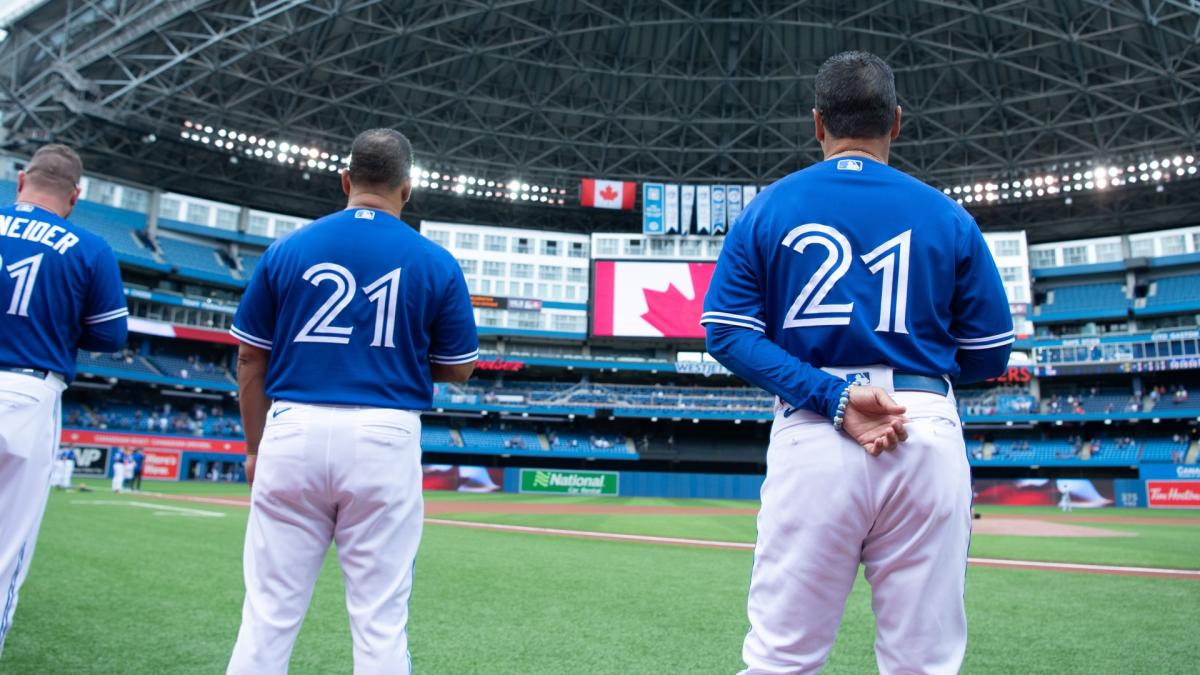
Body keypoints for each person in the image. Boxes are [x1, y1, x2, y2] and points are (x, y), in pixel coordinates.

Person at [701, 52, 1013, 674]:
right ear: (896, 123)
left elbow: (727, 334)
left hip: (814, 427)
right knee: (923, 665)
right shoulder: (948, 214)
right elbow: (989, 354)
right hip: (923, 426)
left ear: (817, 124)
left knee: (781, 661)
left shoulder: (768, 207)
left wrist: (835, 396)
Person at [226, 128, 478, 674]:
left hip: (291, 428)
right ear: (406, 190)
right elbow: (459, 366)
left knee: (267, 614)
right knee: (379, 621)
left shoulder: (288, 248)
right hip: (385, 434)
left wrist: (253, 446)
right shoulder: (435, 261)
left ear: (344, 180)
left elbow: (250, 359)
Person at [0, 144, 128, 656]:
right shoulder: (88, 246)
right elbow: (110, 336)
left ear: (20, 181)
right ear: (76, 196)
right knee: (7, 546)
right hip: (29, 390)